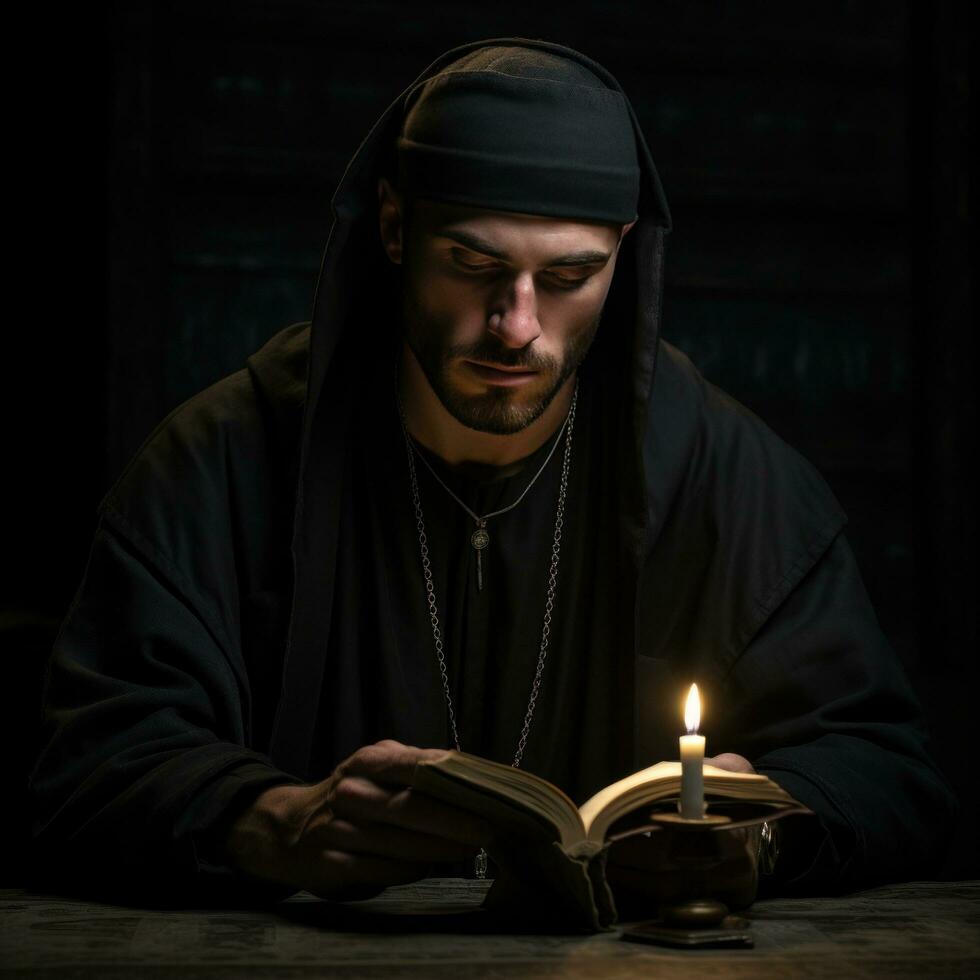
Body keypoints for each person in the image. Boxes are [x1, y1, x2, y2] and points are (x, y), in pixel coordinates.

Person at [30, 38, 954, 905]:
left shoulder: (722, 473)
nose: (516, 325)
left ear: (621, 256)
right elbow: (85, 764)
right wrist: (271, 822)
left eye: (568, 277)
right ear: (394, 227)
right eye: (472, 264)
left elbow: (887, 769)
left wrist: (761, 834)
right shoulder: (225, 460)